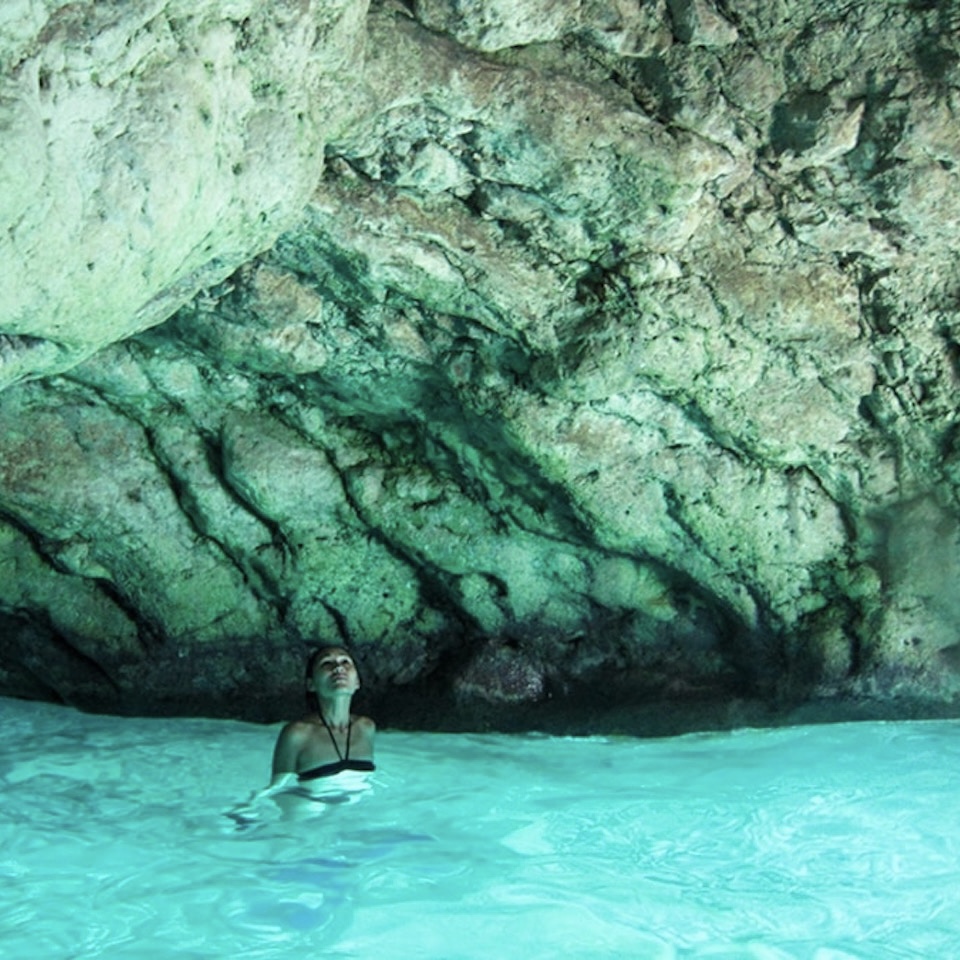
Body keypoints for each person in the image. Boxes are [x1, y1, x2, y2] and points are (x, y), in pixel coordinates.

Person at [269, 645, 376, 788]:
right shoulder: (297, 734)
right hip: (310, 806)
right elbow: (278, 788)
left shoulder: (366, 728)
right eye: (327, 663)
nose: (338, 668)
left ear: (357, 682)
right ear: (311, 684)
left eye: (345, 662)